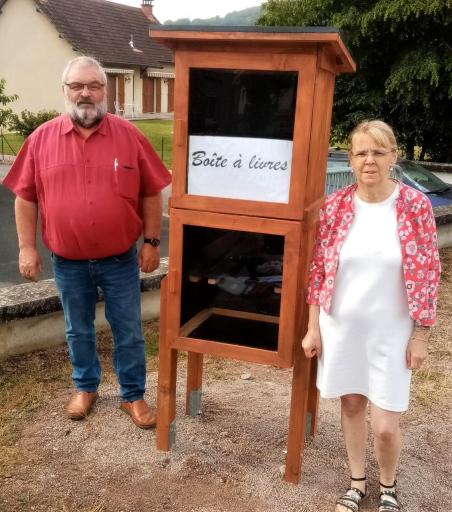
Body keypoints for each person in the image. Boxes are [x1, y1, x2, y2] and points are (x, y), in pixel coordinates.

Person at [3, 56, 171, 429]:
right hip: (68, 261)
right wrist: (26, 247)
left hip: (120, 260)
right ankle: (85, 387)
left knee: (127, 328)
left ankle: (133, 395)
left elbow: (151, 191)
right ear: (65, 91)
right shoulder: (41, 139)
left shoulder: (129, 136)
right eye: (76, 86)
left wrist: (152, 242)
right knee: (77, 328)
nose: (85, 93)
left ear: (105, 91)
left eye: (93, 86)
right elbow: (25, 196)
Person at [302, 120, 440, 512]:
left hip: (392, 331)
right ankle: (357, 482)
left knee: (384, 424)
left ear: (393, 157)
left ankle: (389, 486)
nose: (369, 160)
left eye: (378, 152)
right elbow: (319, 270)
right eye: (361, 152)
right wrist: (313, 328)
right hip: (342, 327)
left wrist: (421, 335)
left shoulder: (415, 207)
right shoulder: (336, 206)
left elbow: (429, 272)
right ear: (351, 158)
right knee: (350, 405)